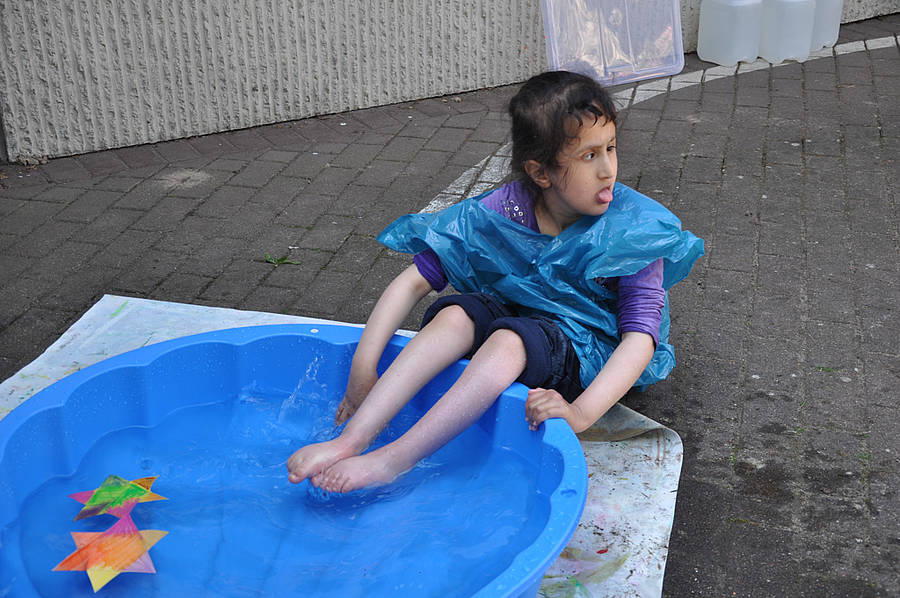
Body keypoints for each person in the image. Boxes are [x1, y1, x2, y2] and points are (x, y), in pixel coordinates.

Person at [287, 71, 704, 493]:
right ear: (540, 173)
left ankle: (393, 460)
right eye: (588, 156)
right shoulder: (506, 211)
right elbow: (412, 282)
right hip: (524, 321)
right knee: (455, 314)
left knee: (509, 339)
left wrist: (580, 413)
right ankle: (352, 439)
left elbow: (640, 340)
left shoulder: (633, 230)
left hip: (588, 349)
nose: (607, 169)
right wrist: (363, 370)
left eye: (610, 148)